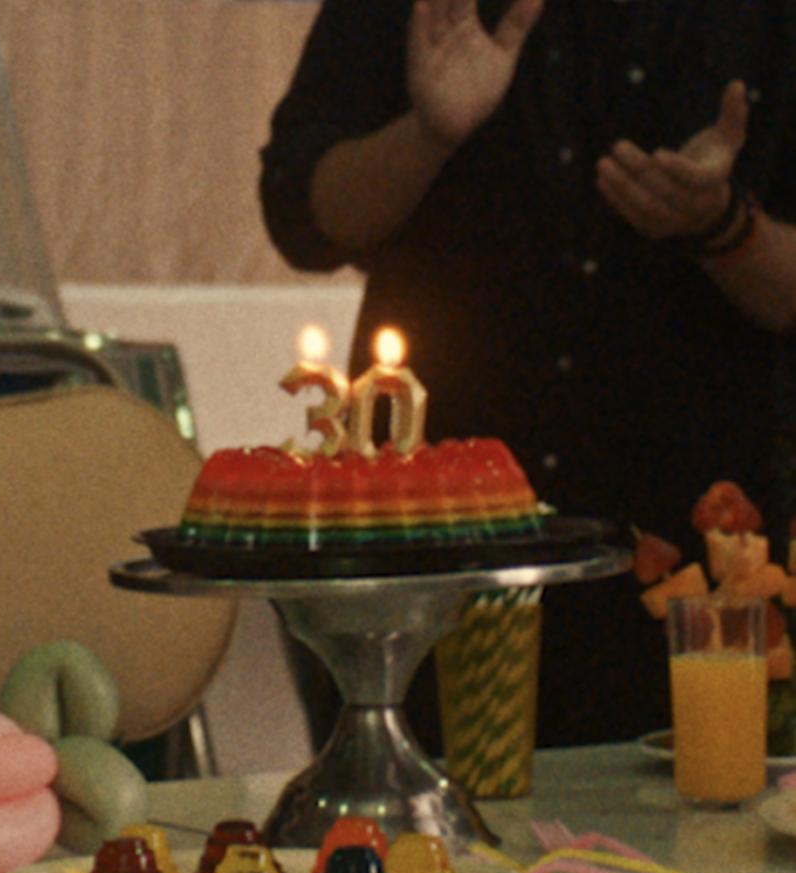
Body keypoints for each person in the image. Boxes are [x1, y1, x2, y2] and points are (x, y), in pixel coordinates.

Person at [259, 0, 796, 751]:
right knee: (420, 816)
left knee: (710, 817)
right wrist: (427, 136)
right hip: (436, 555)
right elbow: (303, 214)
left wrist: (724, 226)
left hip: (704, 560)